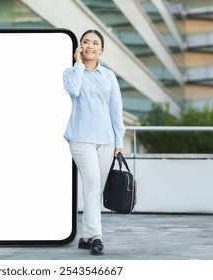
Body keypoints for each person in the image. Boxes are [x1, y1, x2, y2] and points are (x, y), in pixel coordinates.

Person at [63, 30, 125, 255]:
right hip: (80, 139)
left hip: (106, 140)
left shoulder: (109, 76)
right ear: (80, 47)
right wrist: (78, 63)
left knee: (95, 190)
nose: (90, 46)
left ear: (101, 50)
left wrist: (119, 141)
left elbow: (116, 110)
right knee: (92, 184)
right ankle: (97, 237)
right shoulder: (70, 72)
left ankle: (86, 236)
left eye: (95, 43)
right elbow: (73, 90)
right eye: (86, 42)